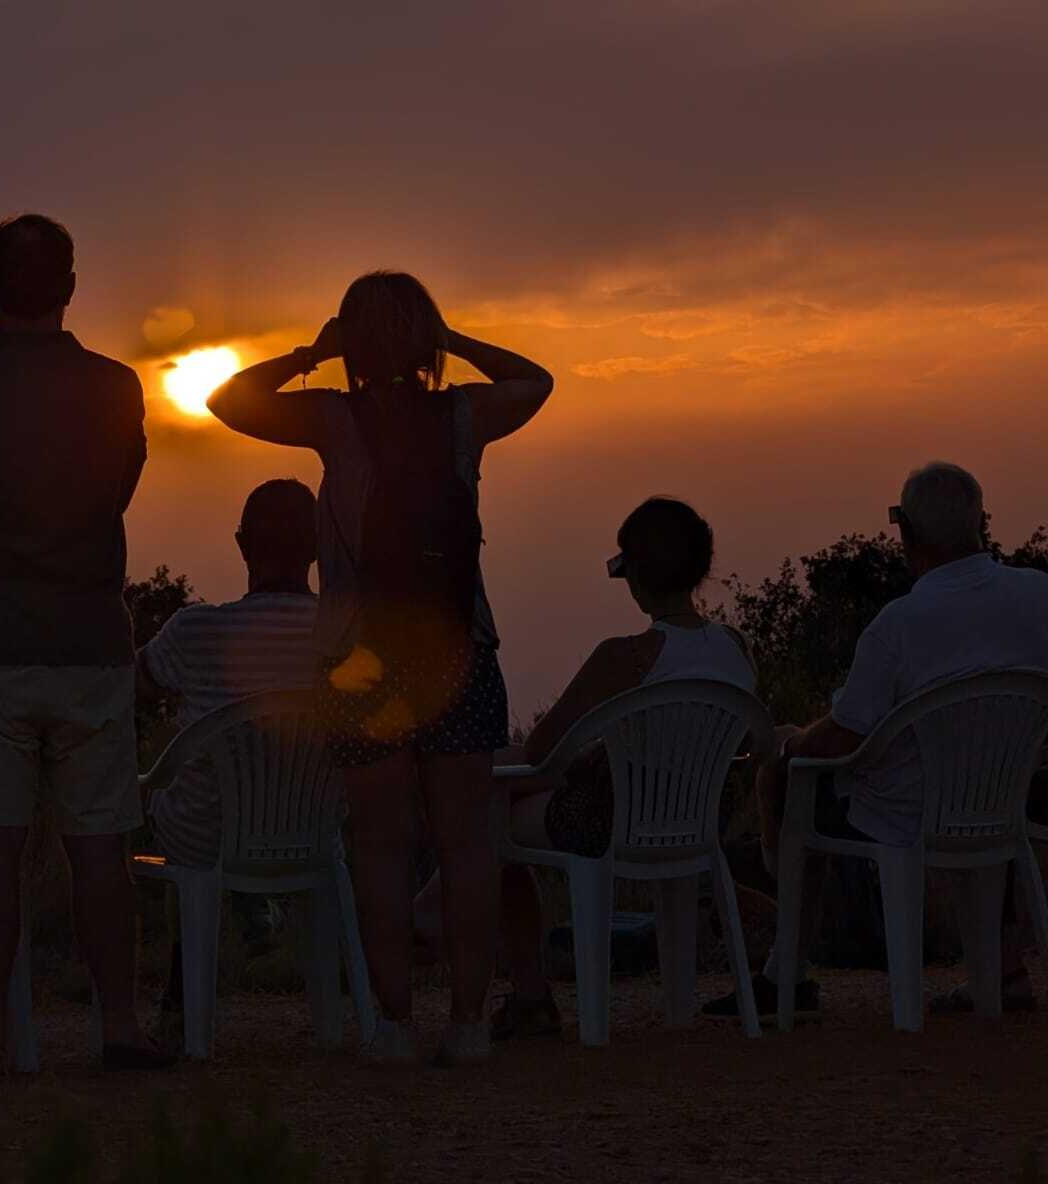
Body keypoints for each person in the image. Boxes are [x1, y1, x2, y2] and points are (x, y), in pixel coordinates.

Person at [209, 271, 554, 1065]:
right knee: (466, 844)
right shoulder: (465, 415)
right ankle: (469, 1023)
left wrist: (311, 354)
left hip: (360, 657)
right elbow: (536, 381)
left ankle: (394, 1024)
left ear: (351, 343)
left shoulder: (332, 419)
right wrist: (453, 341)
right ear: (427, 339)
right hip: (459, 647)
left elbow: (227, 401)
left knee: (379, 845)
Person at [0, 214, 169, 1074]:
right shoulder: (118, 387)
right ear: (70, 288)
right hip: (90, 644)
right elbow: (117, 496)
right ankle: (119, 1028)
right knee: (100, 850)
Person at [704, 462, 1048, 1018]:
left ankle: (787, 973)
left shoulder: (900, 624)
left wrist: (790, 749)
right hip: (1006, 798)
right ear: (982, 522)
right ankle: (1004, 972)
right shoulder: (1039, 595)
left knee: (799, 783)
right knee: (985, 780)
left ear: (906, 534)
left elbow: (844, 737)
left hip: (907, 813)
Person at [447, 499, 756, 1039]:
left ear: (634, 575)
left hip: (609, 823)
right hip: (703, 818)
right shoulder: (736, 649)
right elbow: (742, 738)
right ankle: (676, 1004)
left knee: (494, 817)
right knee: (518, 785)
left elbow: (541, 748)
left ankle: (530, 995)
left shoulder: (624, 656)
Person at [137, 479, 321, 1029]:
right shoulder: (343, 634)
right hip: (312, 831)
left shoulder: (196, 630)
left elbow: (129, 684)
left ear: (243, 546)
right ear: (318, 547)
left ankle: (181, 999)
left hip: (204, 834)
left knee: (177, 825)